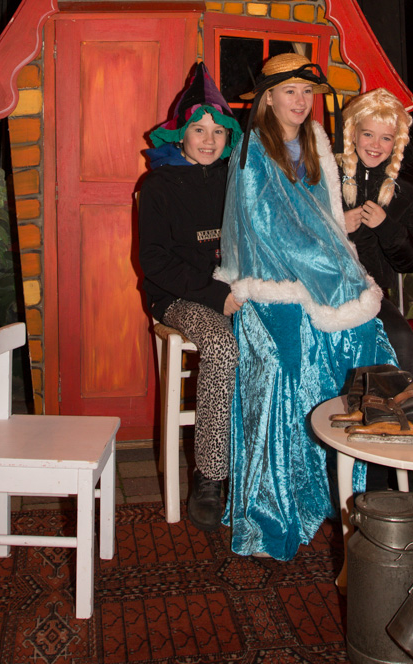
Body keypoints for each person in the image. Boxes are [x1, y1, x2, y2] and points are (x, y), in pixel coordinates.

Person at [218, 53, 396, 560]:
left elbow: (327, 221)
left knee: (359, 345)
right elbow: (270, 229)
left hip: (317, 277)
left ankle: (342, 492)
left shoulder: (316, 143)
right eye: (289, 91)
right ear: (268, 98)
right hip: (271, 283)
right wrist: (331, 274)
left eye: (306, 91)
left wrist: (339, 268)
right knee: (286, 369)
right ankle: (273, 510)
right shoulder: (253, 149)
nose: (300, 101)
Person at [137, 63, 243, 532]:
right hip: (178, 298)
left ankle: (259, 463)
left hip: (233, 291)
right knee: (220, 345)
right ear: (180, 134)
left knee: (281, 335)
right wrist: (216, 296)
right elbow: (155, 262)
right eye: (199, 130)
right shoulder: (158, 187)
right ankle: (210, 475)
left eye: (218, 131)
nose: (208, 139)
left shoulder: (233, 181)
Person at [338, 89, 413, 377]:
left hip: (373, 295)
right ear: (353, 134)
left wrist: (386, 227)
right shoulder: (324, 175)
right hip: (323, 289)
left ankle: (400, 403)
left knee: (401, 339)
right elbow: (297, 236)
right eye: (368, 134)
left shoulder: (410, 191)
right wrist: (336, 225)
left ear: (397, 142)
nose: (376, 145)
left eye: (386, 138)